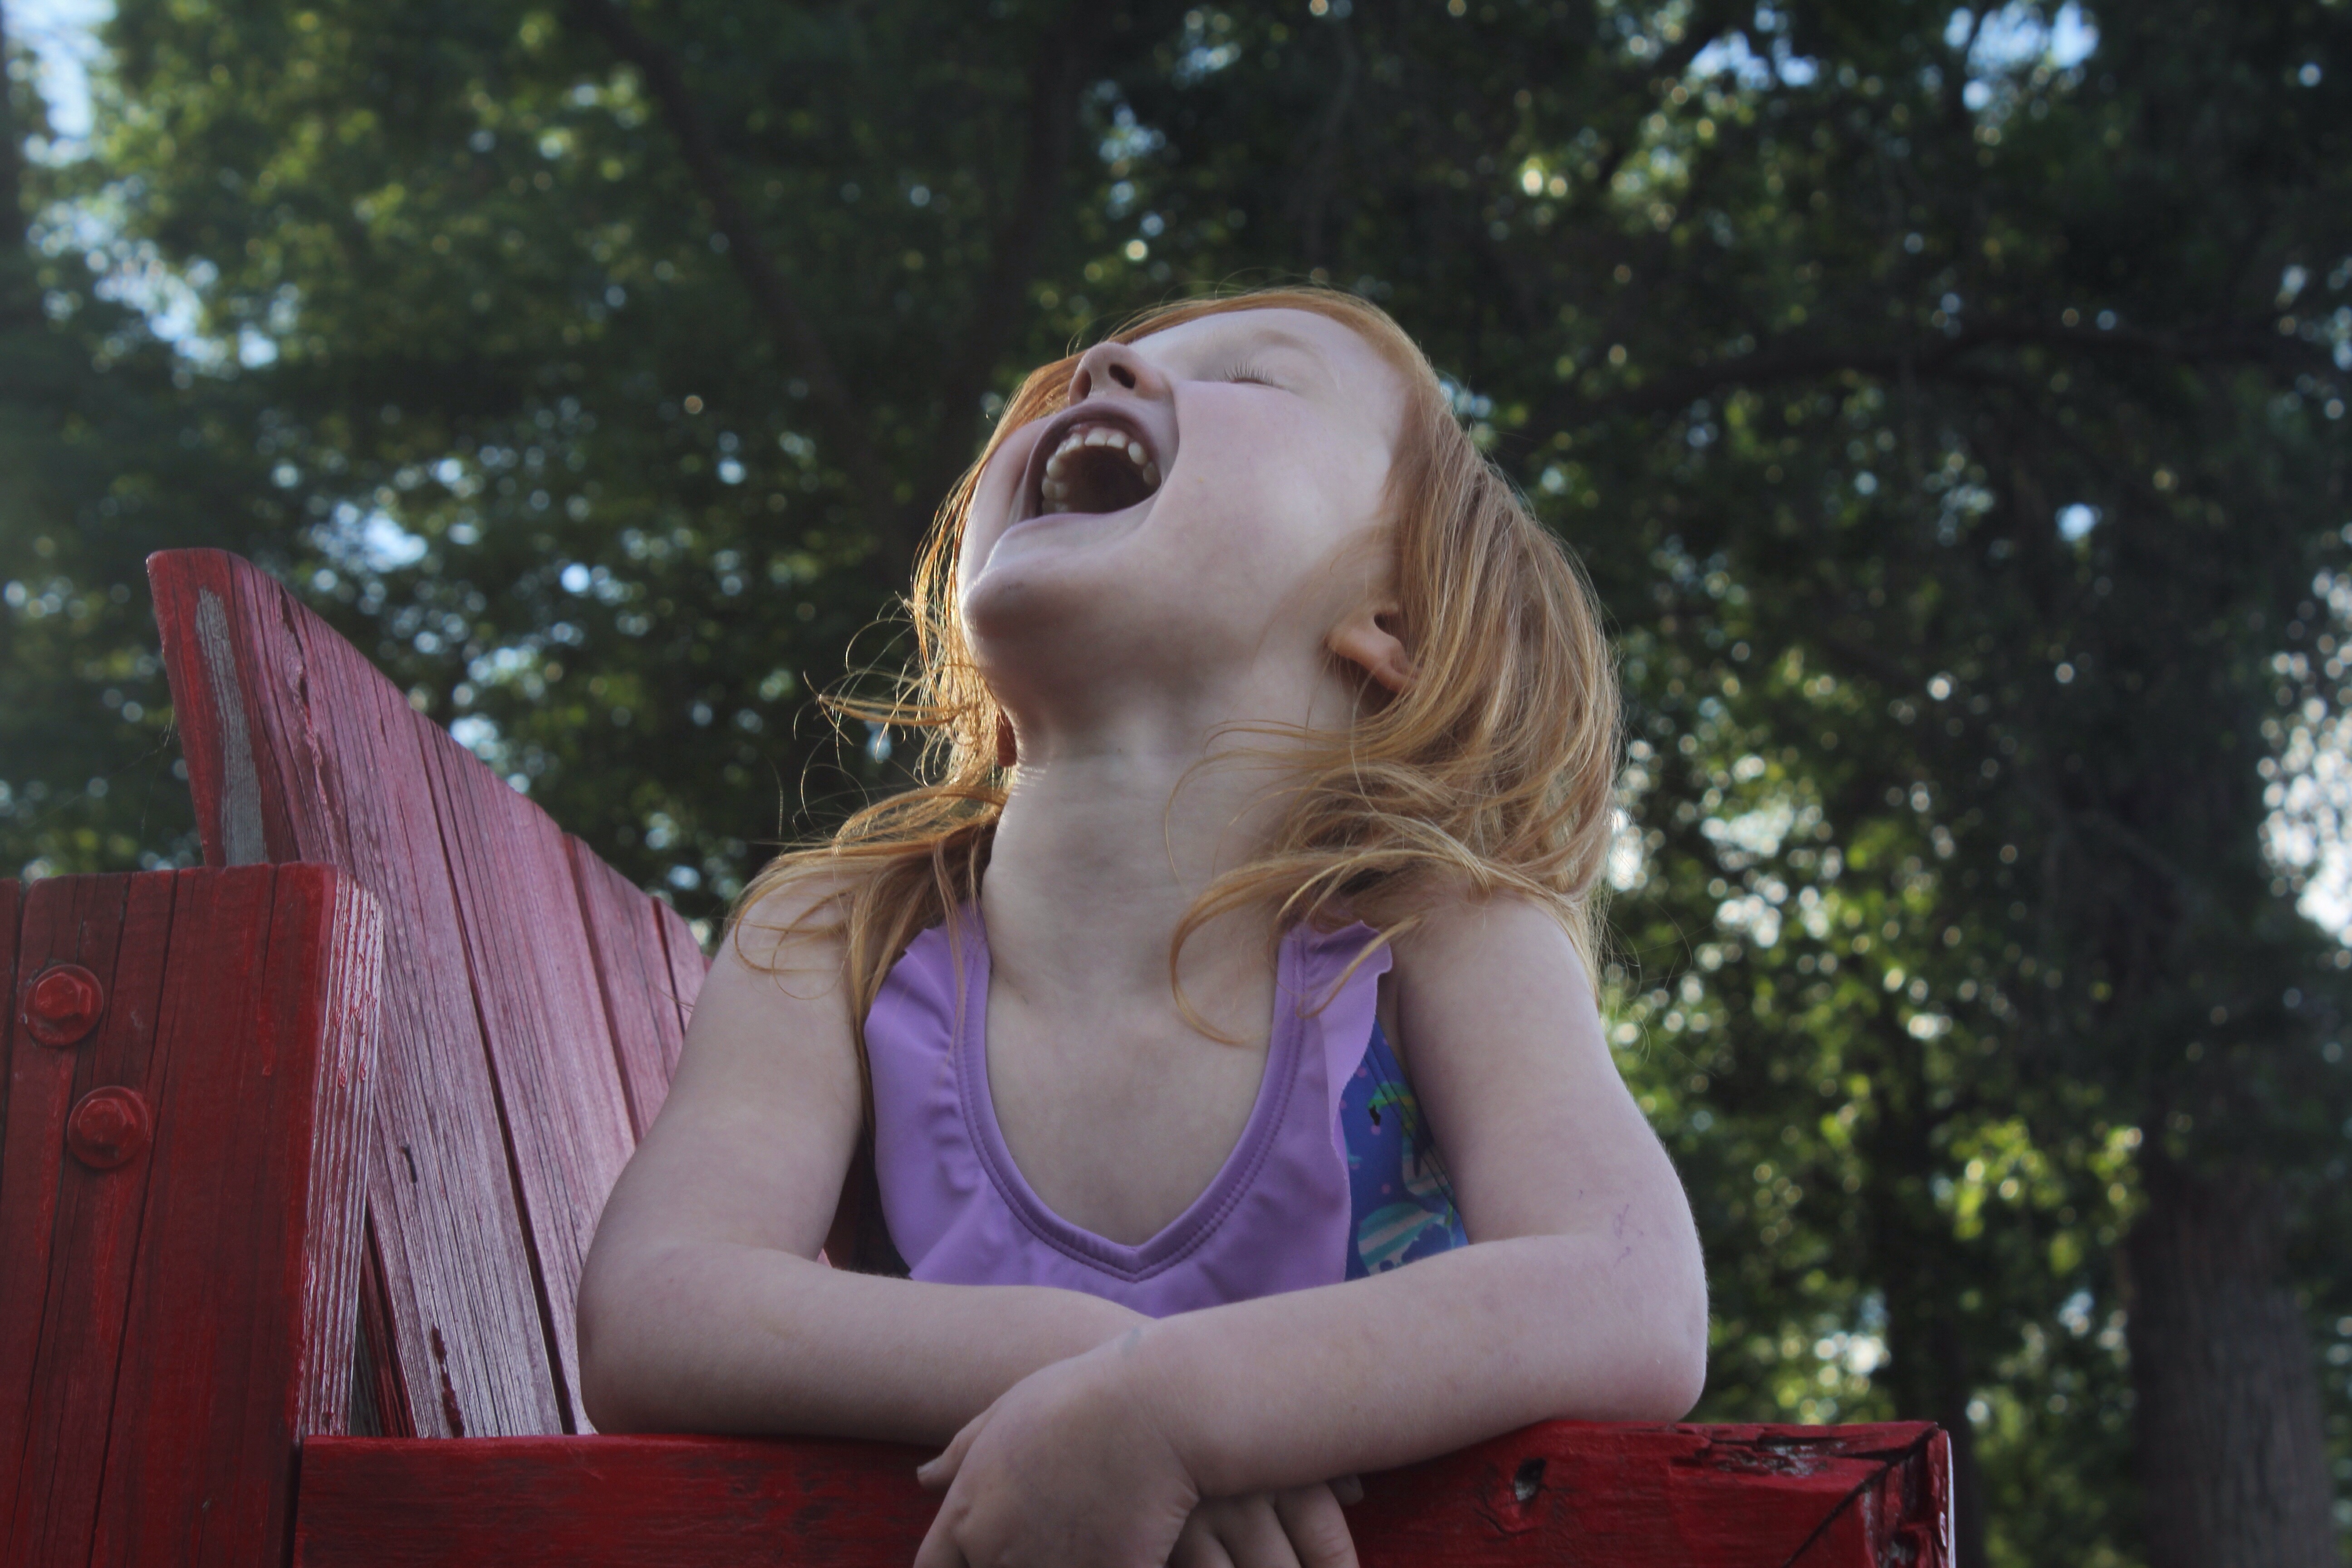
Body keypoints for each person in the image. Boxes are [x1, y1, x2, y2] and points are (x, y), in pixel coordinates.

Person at [575, 286, 1709, 1568]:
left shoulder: (1437, 928)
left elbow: (1634, 1290)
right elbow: (653, 1310)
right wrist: (1108, 1379)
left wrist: (1181, 1409)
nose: (1098, 364)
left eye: (1255, 377)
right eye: (1087, 366)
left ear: (1392, 622)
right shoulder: (839, 933)